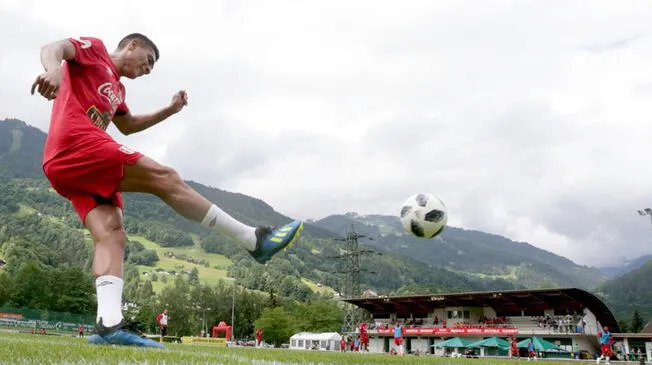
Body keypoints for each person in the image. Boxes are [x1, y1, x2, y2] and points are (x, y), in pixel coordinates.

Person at [31, 34, 304, 348]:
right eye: (147, 61)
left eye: (151, 69)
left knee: (112, 233)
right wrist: (54, 70)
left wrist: (170, 110)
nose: (147, 70)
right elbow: (52, 48)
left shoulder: (118, 90)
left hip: (70, 168)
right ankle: (253, 239)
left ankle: (108, 325)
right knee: (166, 177)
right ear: (131, 45)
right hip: (75, 144)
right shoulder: (93, 50)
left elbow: (129, 124)